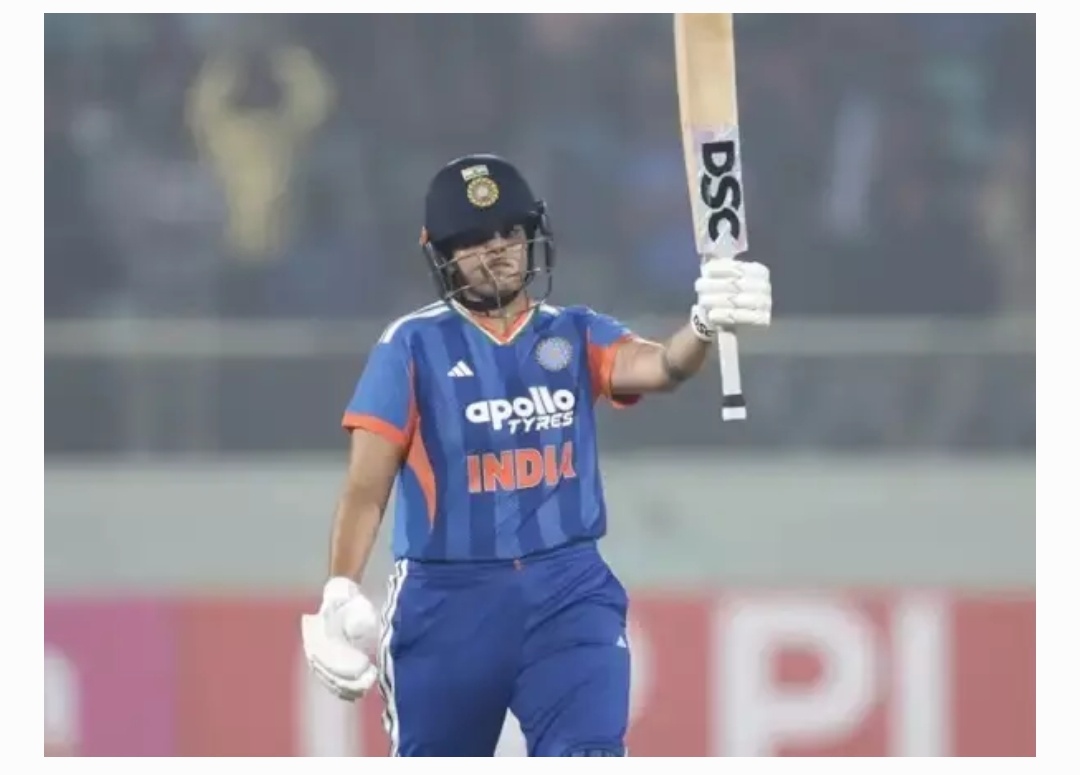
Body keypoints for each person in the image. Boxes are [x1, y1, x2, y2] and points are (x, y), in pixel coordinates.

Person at [299, 154, 771, 756]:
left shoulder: (575, 331)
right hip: (447, 601)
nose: (497, 249)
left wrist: (702, 326)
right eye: (474, 239)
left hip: (569, 591)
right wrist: (339, 590)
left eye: (510, 232)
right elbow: (367, 489)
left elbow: (661, 367)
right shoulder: (410, 346)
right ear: (442, 253)